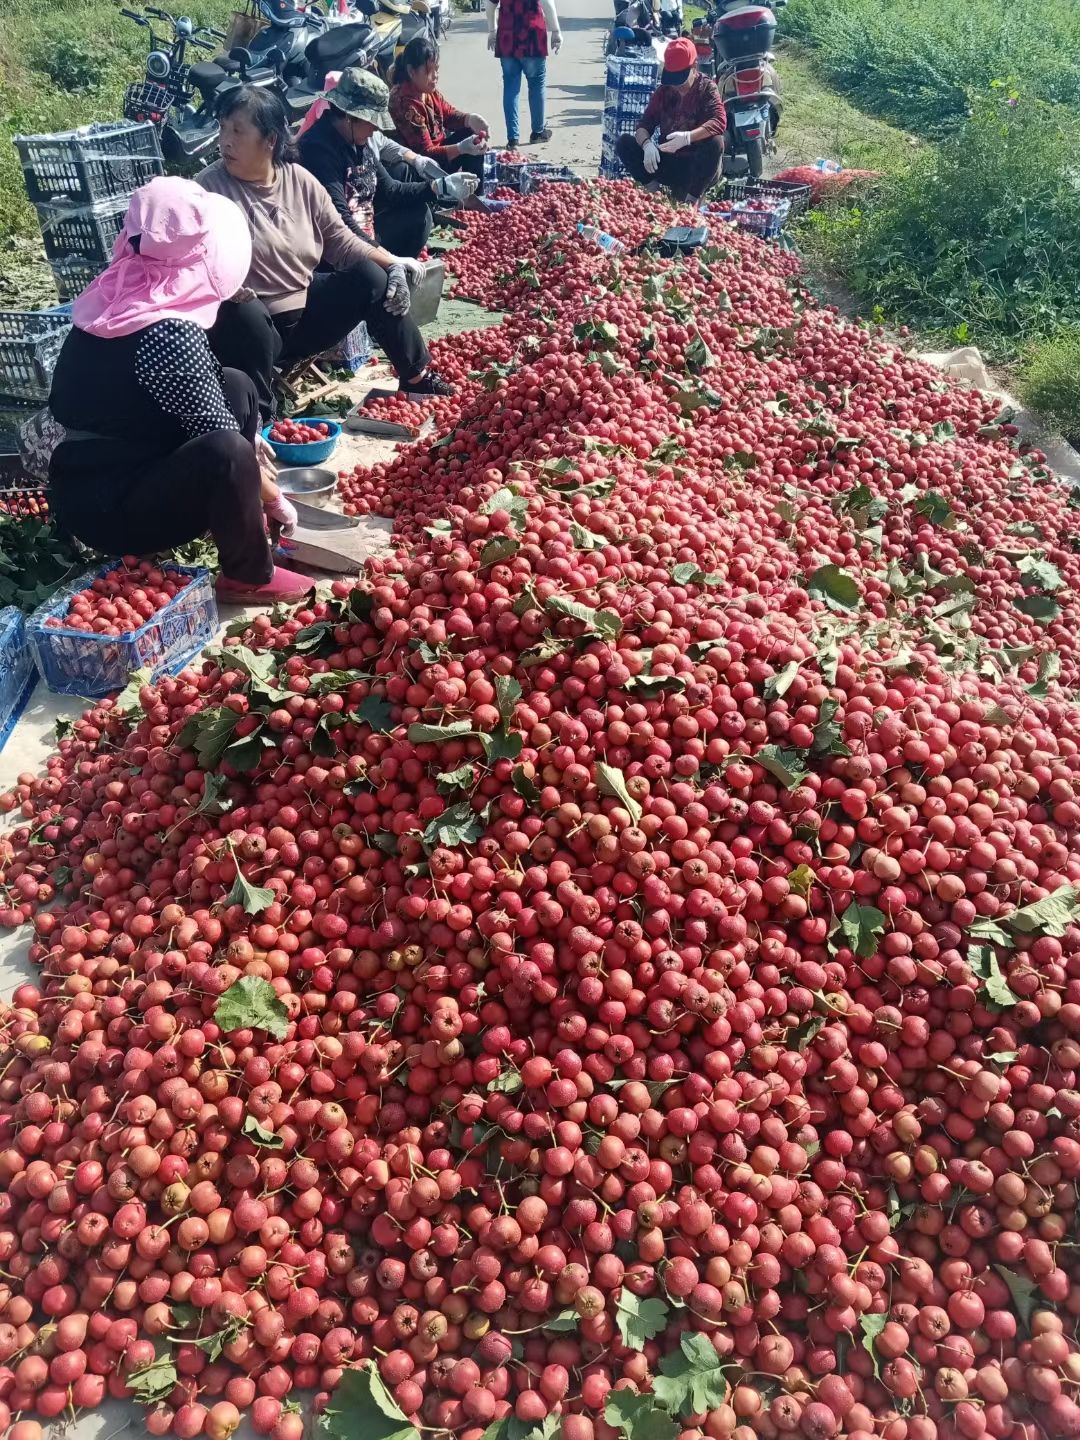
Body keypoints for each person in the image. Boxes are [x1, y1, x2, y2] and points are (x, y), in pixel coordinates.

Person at [44, 177, 311, 606]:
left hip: (103, 471)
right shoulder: (167, 332)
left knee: (237, 385)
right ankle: (248, 574)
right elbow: (220, 442)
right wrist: (275, 498)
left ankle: (235, 515)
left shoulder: (116, 293)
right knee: (228, 452)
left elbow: (205, 394)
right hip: (109, 509)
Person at [199, 85, 450, 421]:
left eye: (238, 131)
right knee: (246, 312)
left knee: (369, 276)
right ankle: (259, 419)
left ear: (270, 140)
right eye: (222, 128)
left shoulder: (299, 180)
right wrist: (221, 287)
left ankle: (417, 378)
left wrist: (392, 264)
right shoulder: (207, 191)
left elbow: (340, 240)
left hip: (304, 317)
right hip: (247, 328)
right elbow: (186, 264)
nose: (225, 141)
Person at [297, 68, 478, 260]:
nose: (376, 128)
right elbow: (340, 221)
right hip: (335, 248)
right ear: (351, 116)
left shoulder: (359, 143)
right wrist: (389, 260)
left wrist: (439, 186)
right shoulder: (317, 150)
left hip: (365, 231)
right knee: (375, 282)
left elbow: (391, 190)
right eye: (372, 121)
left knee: (419, 216)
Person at [615, 36, 725, 204]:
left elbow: (719, 121)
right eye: (673, 80)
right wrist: (647, 145)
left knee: (716, 142)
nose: (676, 86)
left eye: (680, 80)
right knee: (624, 143)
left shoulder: (707, 89)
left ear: (694, 67)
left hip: (696, 165)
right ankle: (655, 194)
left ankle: (691, 201)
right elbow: (644, 124)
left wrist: (688, 137)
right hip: (668, 162)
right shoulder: (664, 92)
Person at [388, 37, 488, 183]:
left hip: (439, 154)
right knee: (469, 143)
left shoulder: (427, 90)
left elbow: (448, 114)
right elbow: (426, 153)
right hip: (419, 168)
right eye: (430, 71)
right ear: (411, 71)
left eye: (437, 69)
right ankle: (463, 196)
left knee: (472, 134)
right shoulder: (405, 103)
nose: (435, 76)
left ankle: (473, 194)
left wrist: (470, 119)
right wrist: (460, 149)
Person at [487, 0, 561, 148]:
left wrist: (492, 30)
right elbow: (546, 2)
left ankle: (513, 139)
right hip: (532, 34)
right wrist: (556, 30)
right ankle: (538, 132)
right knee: (536, 84)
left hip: (507, 35)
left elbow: (490, 4)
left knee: (510, 87)